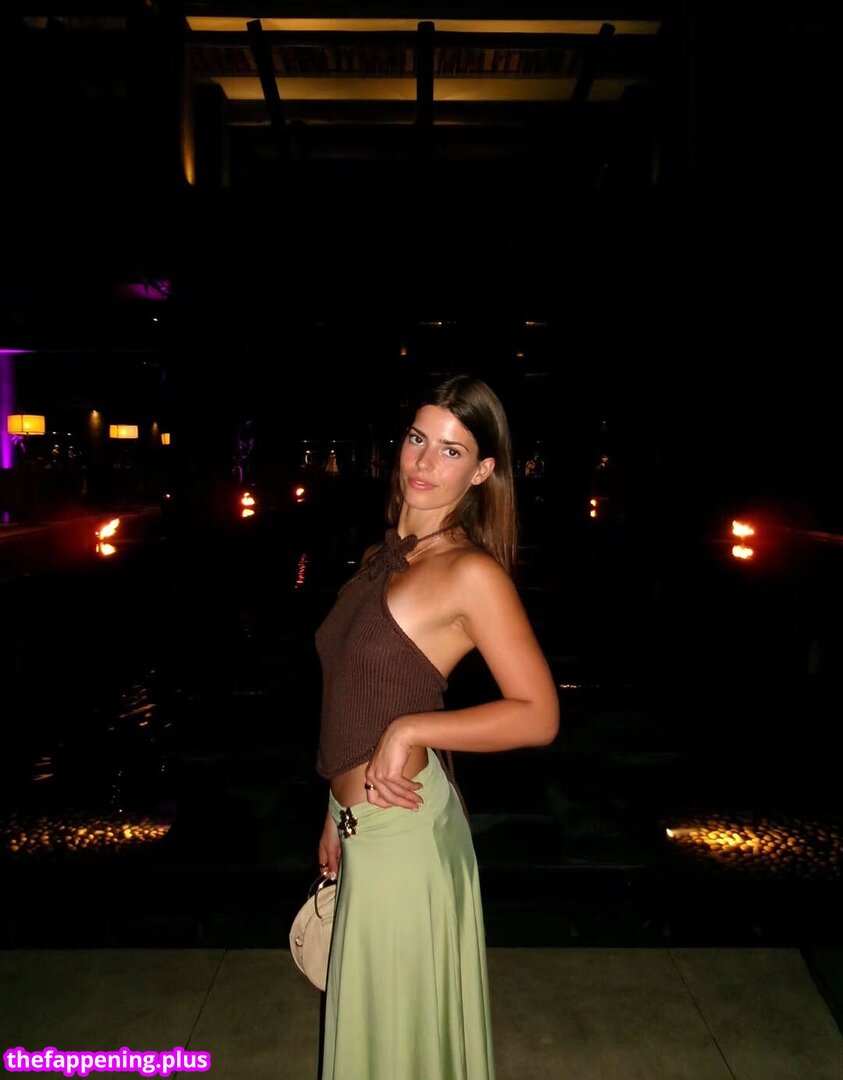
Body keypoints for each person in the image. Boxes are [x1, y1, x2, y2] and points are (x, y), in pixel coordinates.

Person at [315, 374, 560, 1080]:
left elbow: (538, 714)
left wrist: (409, 730)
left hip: (407, 835)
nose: (424, 463)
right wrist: (334, 809)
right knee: (378, 1035)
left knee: (399, 1043)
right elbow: (351, 695)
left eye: (451, 451)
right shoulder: (382, 558)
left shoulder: (469, 573)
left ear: (482, 472)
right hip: (364, 822)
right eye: (417, 439)